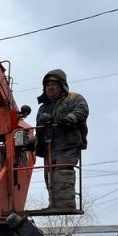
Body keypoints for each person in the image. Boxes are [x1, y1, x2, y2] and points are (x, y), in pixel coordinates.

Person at [35, 69, 88, 210]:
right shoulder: (43, 108)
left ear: (62, 85)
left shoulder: (73, 98)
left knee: (62, 173)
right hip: (49, 147)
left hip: (67, 144)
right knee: (49, 176)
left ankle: (66, 205)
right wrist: (33, 143)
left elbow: (82, 110)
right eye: (47, 85)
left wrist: (69, 119)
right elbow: (38, 129)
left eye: (53, 85)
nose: (50, 88)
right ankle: (53, 205)